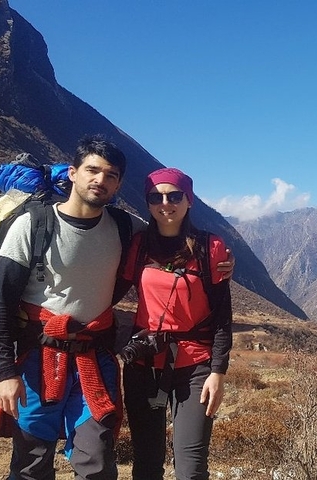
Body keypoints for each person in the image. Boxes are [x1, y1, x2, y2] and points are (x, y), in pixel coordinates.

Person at [0, 135, 134, 479]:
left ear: (118, 184)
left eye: (110, 175)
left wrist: (216, 255)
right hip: (37, 360)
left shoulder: (125, 227)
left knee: (96, 461)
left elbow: (167, 240)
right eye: (92, 170)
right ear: (72, 172)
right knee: (31, 464)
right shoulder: (32, 225)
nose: (100, 180)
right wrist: (5, 373)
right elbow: (1, 303)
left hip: (93, 361)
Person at [118, 167, 232, 480]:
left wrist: (218, 372)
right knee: (146, 463)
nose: (165, 202)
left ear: (189, 200)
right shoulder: (138, 245)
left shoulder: (211, 248)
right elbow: (108, 292)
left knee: (191, 468)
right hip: (144, 362)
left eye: (174, 195)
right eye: (156, 196)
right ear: (148, 201)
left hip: (195, 365)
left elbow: (223, 316)